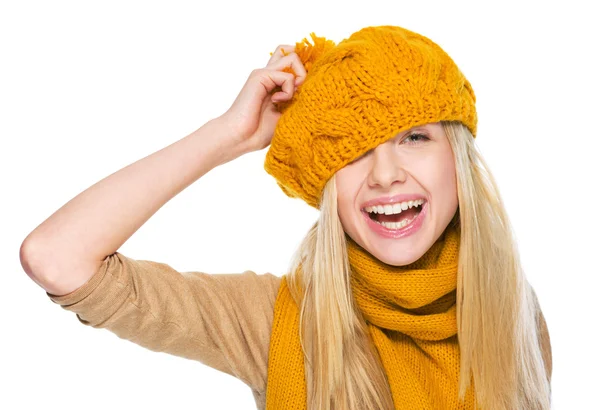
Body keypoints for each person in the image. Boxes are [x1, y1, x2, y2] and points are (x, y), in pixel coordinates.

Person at [20, 25, 552, 410]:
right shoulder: (277, 322)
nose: (385, 174)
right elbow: (57, 257)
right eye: (351, 150)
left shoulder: (511, 314)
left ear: (456, 159)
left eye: (413, 137)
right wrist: (229, 136)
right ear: (328, 186)